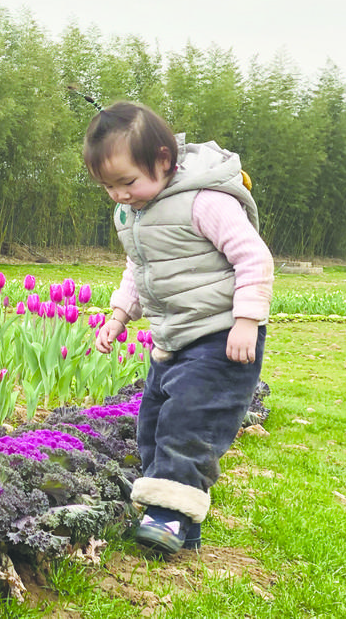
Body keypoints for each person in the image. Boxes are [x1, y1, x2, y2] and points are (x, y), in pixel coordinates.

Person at [83, 101, 273, 555]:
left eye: (127, 182)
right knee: (151, 425)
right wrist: (118, 316)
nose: (119, 195)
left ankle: (166, 516)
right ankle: (179, 523)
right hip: (172, 339)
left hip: (222, 335)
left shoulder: (205, 201)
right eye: (108, 187)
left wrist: (247, 320)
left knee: (189, 422)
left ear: (164, 160)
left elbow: (254, 257)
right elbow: (138, 268)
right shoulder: (132, 214)